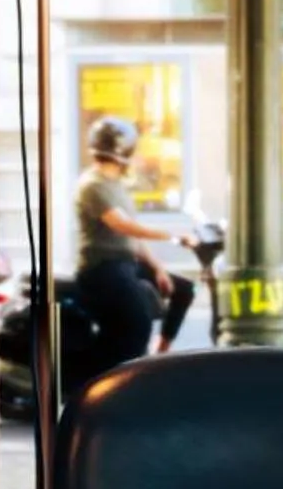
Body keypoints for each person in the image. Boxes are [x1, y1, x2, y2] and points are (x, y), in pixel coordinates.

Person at [74, 117, 194, 380]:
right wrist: (173, 236)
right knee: (137, 322)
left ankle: (158, 358)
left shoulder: (115, 184)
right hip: (103, 267)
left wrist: (158, 267)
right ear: (127, 151)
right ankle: (117, 380)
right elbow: (122, 225)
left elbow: (132, 237)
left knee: (183, 290)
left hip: (126, 263)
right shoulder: (92, 185)